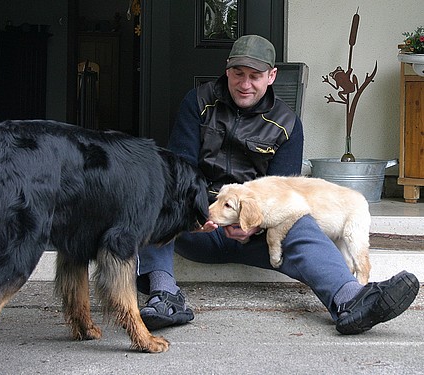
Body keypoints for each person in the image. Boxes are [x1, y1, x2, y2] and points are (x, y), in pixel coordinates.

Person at [137, 35, 420, 335]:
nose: (245, 84)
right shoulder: (197, 102)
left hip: (259, 237)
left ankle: (351, 301)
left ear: (271, 76)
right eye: (238, 74)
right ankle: (165, 296)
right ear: (227, 69)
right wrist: (196, 213)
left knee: (300, 221)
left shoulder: (288, 123)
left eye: (255, 76)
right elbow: (181, 170)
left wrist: (252, 227)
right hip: (200, 228)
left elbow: (284, 195)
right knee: (155, 195)